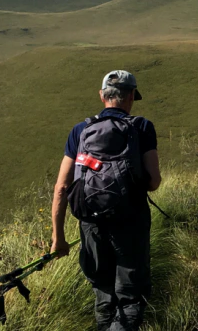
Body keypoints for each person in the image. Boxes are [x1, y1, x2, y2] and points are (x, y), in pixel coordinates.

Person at [50, 70, 162, 331]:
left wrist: (58, 238)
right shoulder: (142, 127)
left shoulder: (80, 130)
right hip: (131, 222)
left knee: (104, 295)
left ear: (102, 96)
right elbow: (154, 182)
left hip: (91, 225)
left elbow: (61, 188)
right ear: (131, 96)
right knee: (131, 298)